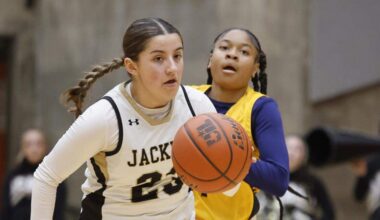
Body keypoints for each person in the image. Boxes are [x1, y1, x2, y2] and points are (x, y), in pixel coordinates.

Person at [31, 18, 217, 220]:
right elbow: (47, 177)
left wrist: (240, 168)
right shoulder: (106, 118)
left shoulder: (197, 106)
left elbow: (224, 182)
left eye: (178, 56)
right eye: (158, 59)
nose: (172, 67)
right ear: (131, 66)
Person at [192, 28, 289, 220]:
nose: (232, 54)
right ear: (210, 60)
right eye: (224, 47)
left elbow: (278, 179)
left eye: (244, 52)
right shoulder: (185, 97)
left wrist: (222, 157)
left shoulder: (261, 108)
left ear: (255, 69)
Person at [1, 129, 66, 220]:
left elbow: (59, 211)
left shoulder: (55, 176)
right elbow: (5, 209)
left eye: (38, 144)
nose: (34, 149)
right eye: (28, 144)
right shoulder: (12, 176)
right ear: (22, 148)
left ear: (45, 147)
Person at [279, 135, 335, 220]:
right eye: (289, 147)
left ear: (304, 156)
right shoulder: (268, 177)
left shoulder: (313, 182)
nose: (292, 153)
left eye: (297, 149)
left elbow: (329, 213)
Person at [352, 154, 380, 220]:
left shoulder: (372, 163)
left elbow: (359, 196)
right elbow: (358, 195)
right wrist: (362, 175)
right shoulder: (373, 163)